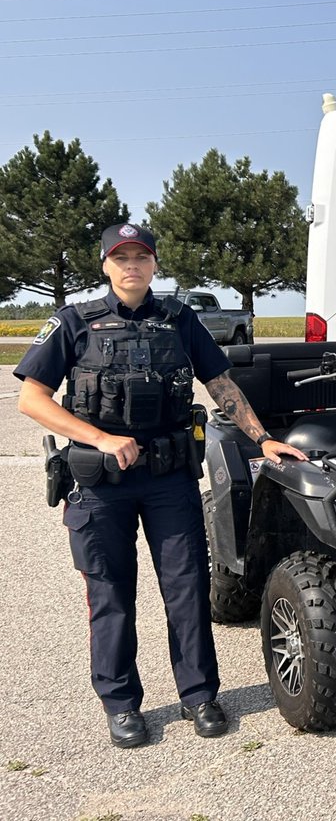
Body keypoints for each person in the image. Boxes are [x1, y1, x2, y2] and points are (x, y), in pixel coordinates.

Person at [14, 222, 307, 748]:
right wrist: (100, 437)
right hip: (101, 484)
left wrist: (262, 439)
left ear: (154, 264)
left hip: (169, 478)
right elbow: (31, 399)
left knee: (188, 588)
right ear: (105, 265)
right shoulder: (73, 322)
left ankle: (199, 696)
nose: (132, 265)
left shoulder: (178, 319)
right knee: (111, 595)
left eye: (141, 256)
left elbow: (219, 383)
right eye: (121, 257)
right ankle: (122, 704)